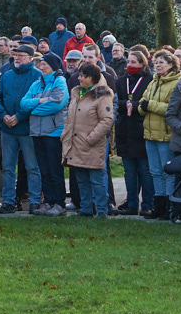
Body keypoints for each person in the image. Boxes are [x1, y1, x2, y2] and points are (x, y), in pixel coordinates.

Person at [61, 62, 113, 217]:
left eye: (82, 75)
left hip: (92, 145)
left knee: (97, 179)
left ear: (90, 78)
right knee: (81, 179)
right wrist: (65, 136)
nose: (79, 78)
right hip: (76, 143)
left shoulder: (103, 95)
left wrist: (91, 139)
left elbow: (107, 120)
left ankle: (102, 211)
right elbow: (70, 117)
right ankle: (86, 209)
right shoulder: (77, 93)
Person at [21, 52, 70, 216]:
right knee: (44, 169)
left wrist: (34, 110)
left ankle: (59, 203)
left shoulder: (59, 81)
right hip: (37, 132)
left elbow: (56, 105)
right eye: (40, 64)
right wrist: (40, 101)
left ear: (53, 66)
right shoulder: (37, 84)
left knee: (55, 170)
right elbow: (23, 103)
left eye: (44, 64)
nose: (40, 67)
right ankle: (48, 201)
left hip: (54, 132)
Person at [0, 43, 43, 214]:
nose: (17, 58)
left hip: (27, 128)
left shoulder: (38, 77)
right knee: (7, 167)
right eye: (15, 55)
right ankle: (8, 201)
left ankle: (34, 201)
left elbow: (37, 100)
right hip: (7, 129)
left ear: (31, 58)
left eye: (21, 55)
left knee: (32, 167)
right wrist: (4, 116)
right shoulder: (7, 76)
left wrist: (19, 117)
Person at [138, 51, 181, 219]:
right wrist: (144, 106)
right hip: (150, 134)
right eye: (156, 62)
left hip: (165, 134)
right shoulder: (153, 81)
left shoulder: (176, 83)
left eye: (162, 62)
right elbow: (142, 102)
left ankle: (170, 205)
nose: (158, 65)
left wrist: (150, 105)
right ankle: (159, 205)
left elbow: (172, 108)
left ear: (171, 64)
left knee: (167, 171)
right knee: (154, 171)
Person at [113, 50, 153, 216]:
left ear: (142, 64)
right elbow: (116, 101)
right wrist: (126, 104)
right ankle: (131, 204)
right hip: (124, 131)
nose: (130, 65)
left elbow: (149, 101)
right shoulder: (121, 81)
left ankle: (148, 204)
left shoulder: (149, 80)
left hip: (141, 130)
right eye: (128, 62)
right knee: (129, 171)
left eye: (134, 62)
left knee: (144, 170)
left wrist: (135, 105)